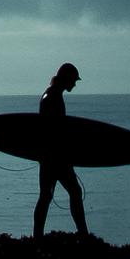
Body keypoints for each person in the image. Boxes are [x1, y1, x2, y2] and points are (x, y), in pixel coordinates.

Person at [34, 62, 88, 237]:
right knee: (70, 192)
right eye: (73, 80)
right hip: (54, 157)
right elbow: (53, 130)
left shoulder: (53, 94)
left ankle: (38, 236)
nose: (74, 84)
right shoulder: (52, 97)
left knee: (46, 196)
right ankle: (83, 234)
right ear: (66, 79)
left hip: (50, 156)